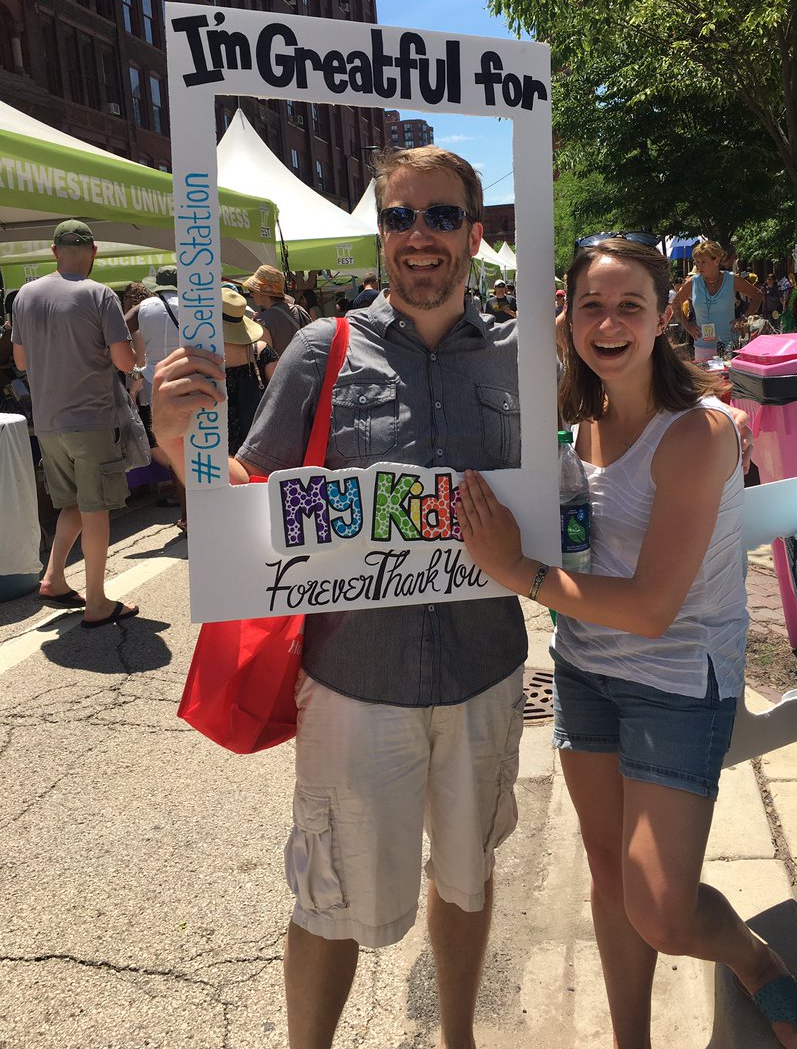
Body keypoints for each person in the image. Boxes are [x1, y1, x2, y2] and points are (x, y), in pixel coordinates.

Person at [151, 146, 526, 1049]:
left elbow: (583, 471)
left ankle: (459, 1038)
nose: (420, 236)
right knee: (330, 898)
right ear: (381, 235)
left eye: (441, 216)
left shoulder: (524, 355)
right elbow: (250, 491)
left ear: (475, 233)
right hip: (356, 683)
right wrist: (176, 446)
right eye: (400, 217)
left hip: (485, 670)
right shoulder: (324, 349)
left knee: (466, 877)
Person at [455, 236, 797, 1049]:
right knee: (606, 877)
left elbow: (657, 608)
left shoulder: (697, 433)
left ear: (665, 315)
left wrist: (513, 569)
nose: (609, 322)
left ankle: (753, 958)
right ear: (566, 318)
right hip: (585, 672)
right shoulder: (575, 420)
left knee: (660, 907)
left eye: (630, 305)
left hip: (675, 679)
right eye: (590, 304)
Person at [11, 220, 140, 628]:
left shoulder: (25, 296)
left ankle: (53, 577)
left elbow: (20, 362)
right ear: (94, 252)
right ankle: (98, 602)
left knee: (74, 503)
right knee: (96, 508)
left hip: (48, 421)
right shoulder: (99, 294)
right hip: (92, 418)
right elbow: (124, 361)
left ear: (53, 251)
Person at [132, 267, 187, 532]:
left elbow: (120, 326)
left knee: (173, 450)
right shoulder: (192, 304)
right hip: (191, 379)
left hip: (157, 386)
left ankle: (187, 515)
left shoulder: (145, 307)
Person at [673, 240, 762, 361]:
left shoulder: (732, 279)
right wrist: (687, 325)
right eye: (697, 262)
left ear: (716, 261)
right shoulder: (693, 282)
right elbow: (675, 304)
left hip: (730, 345)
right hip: (702, 347)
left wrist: (744, 318)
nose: (699, 266)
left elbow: (757, 295)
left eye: (703, 262)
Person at [221, 287, 279, 456]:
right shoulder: (261, 351)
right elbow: (280, 391)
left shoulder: (204, 356)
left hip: (216, 440)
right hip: (257, 438)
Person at [242, 264, 310, 356]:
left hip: (281, 370)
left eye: (252, 291)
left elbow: (266, 360)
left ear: (262, 293)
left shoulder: (262, 321)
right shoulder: (299, 310)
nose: (251, 295)